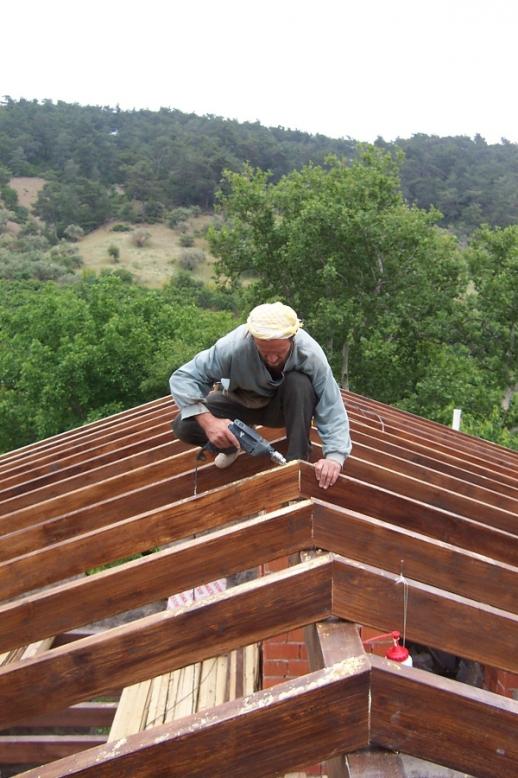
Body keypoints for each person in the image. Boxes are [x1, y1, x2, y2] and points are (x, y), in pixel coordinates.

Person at [169, 302, 352, 489]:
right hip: (238, 404)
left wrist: (335, 457)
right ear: (252, 338)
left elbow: (331, 405)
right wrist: (209, 423)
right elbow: (183, 378)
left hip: (281, 409)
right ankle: (232, 444)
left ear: (292, 339)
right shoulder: (232, 346)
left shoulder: (310, 353)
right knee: (185, 424)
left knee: (299, 383)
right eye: (264, 352)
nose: (272, 359)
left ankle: (296, 461)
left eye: (279, 353)